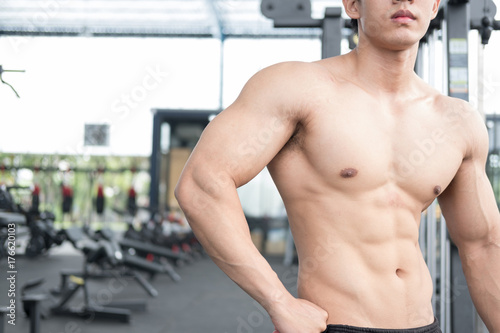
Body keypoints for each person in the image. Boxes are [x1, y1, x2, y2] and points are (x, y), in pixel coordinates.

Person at [174, 0, 500, 332]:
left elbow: (483, 244)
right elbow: (203, 182)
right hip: (336, 325)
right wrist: (278, 300)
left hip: (425, 325)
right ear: (353, 5)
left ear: (433, 7)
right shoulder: (297, 88)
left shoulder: (458, 120)